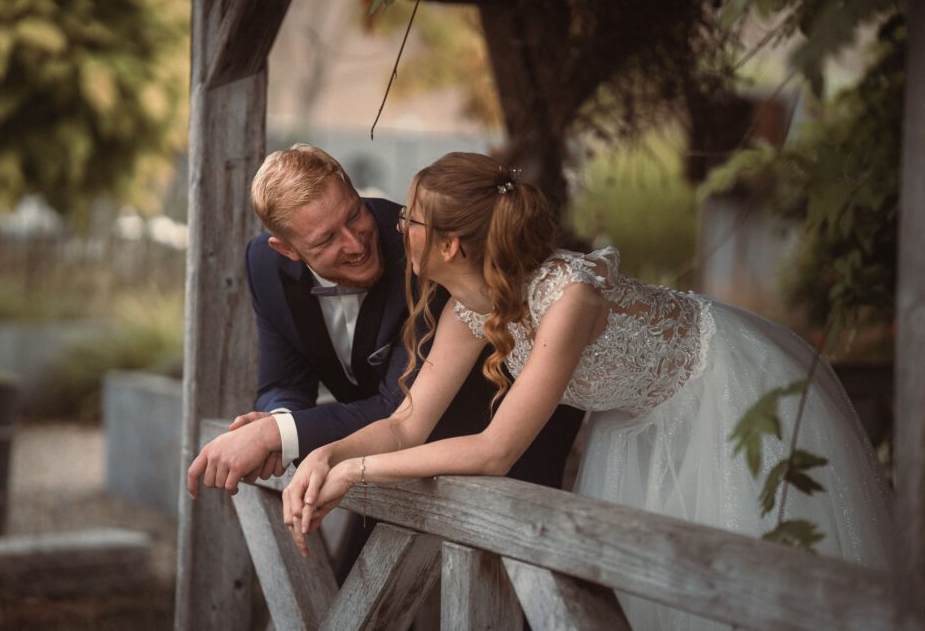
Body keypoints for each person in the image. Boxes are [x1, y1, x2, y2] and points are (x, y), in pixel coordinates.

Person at [281, 151, 894, 629]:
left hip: (725, 393)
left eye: (409, 218)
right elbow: (406, 424)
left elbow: (496, 450)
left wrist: (358, 471)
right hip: (637, 421)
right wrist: (326, 456)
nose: (395, 225)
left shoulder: (566, 299)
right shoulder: (466, 310)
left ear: (448, 245)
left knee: (760, 581)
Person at [185, 145, 584, 574]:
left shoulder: (428, 248)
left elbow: (400, 408)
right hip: (400, 452)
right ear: (287, 249)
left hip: (510, 451)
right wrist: (281, 426)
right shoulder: (265, 263)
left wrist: (284, 438)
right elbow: (296, 384)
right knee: (363, 593)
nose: (358, 241)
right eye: (326, 239)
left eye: (355, 214)